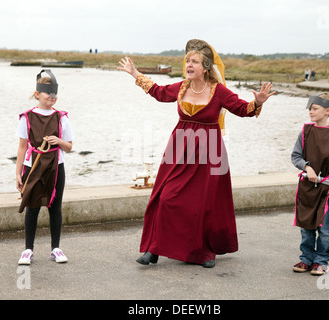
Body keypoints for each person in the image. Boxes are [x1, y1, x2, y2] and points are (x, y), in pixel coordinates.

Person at [118, 39, 275, 268]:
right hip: (179, 149)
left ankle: (205, 251)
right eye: (187, 61)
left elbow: (242, 109)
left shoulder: (218, 91)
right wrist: (135, 73)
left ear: (206, 67)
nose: (189, 65)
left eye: (194, 62)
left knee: (203, 204)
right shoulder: (181, 87)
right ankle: (154, 249)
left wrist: (257, 102)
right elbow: (159, 92)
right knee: (165, 197)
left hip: (210, 151)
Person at [16, 69, 74, 265]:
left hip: (56, 167)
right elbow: (23, 146)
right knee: (32, 207)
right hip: (32, 167)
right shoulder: (27, 117)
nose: (52, 96)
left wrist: (58, 141)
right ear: (37, 94)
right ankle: (28, 250)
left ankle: (55, 249)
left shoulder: (61, 118)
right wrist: (17, 173)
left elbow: (70, 146)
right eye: (48, 92)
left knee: (54, 207)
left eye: (55, 93)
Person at [291, 93, 329, 275]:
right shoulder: (306, 132)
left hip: (327, 187)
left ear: (327, 110)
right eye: (310, 108)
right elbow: (296, 156)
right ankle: (306, 259)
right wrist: (307, 168)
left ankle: (321, 261)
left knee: (324, 229)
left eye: (315, 108)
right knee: (306, 225)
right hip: (308, 186)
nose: (311, 112)